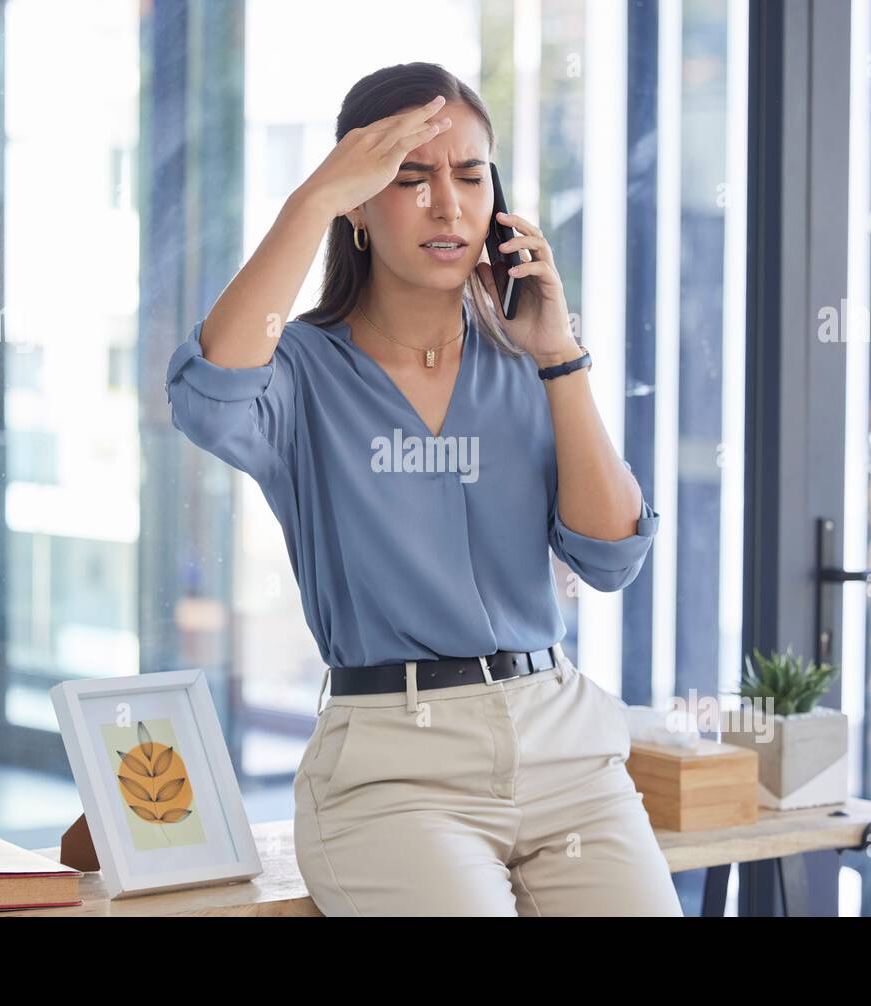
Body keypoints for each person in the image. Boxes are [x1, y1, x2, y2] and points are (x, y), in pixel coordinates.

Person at [164, 61, 682, 917]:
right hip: (393, 772)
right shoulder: (299, 371)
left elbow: (610, 556)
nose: (449, 205)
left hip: (565, 750)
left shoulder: (529, 366)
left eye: (471, 176)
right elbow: (208, 396)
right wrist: (309, 203)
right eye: (410, 179)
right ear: (359, 207)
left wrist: (559, 354)